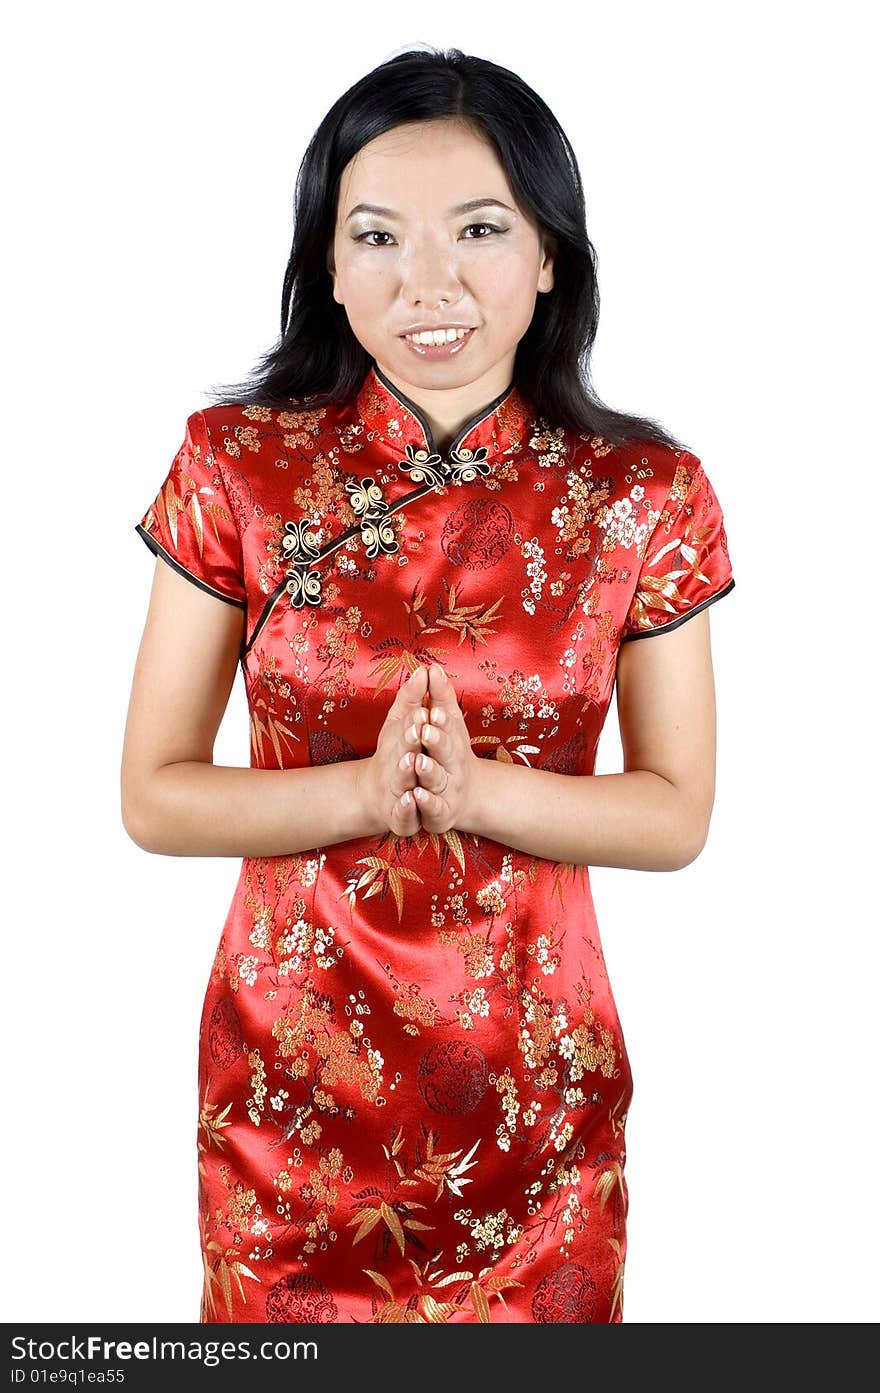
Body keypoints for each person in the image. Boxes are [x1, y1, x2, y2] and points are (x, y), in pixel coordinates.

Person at [121, 45, 734, 1325]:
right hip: (291, 1099)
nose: (429, 283)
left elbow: (674, 813)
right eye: (378, 237)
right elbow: (155, 794)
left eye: (478, 229)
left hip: (536, 1102)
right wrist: (368, 790)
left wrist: (472, 788)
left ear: (551, 253)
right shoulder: (235, 467)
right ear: (329, 268)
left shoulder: (642, 497)